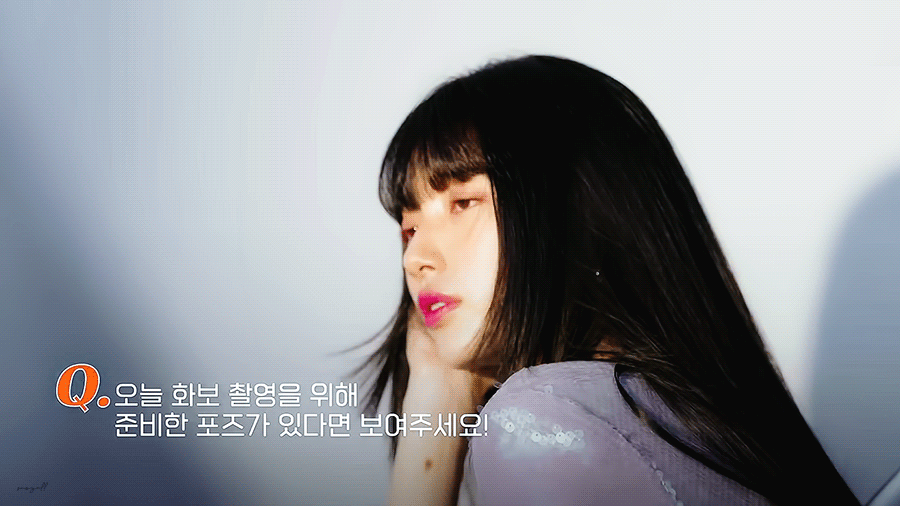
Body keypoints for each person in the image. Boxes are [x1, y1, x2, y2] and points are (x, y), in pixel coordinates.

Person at [357, 55, 859, 505]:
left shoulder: (539, 421)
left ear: (575, 205)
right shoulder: (708, 428)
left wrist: (433, 425)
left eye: (463, 202)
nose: (415, 259)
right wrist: (439, 386)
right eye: (409, 229)